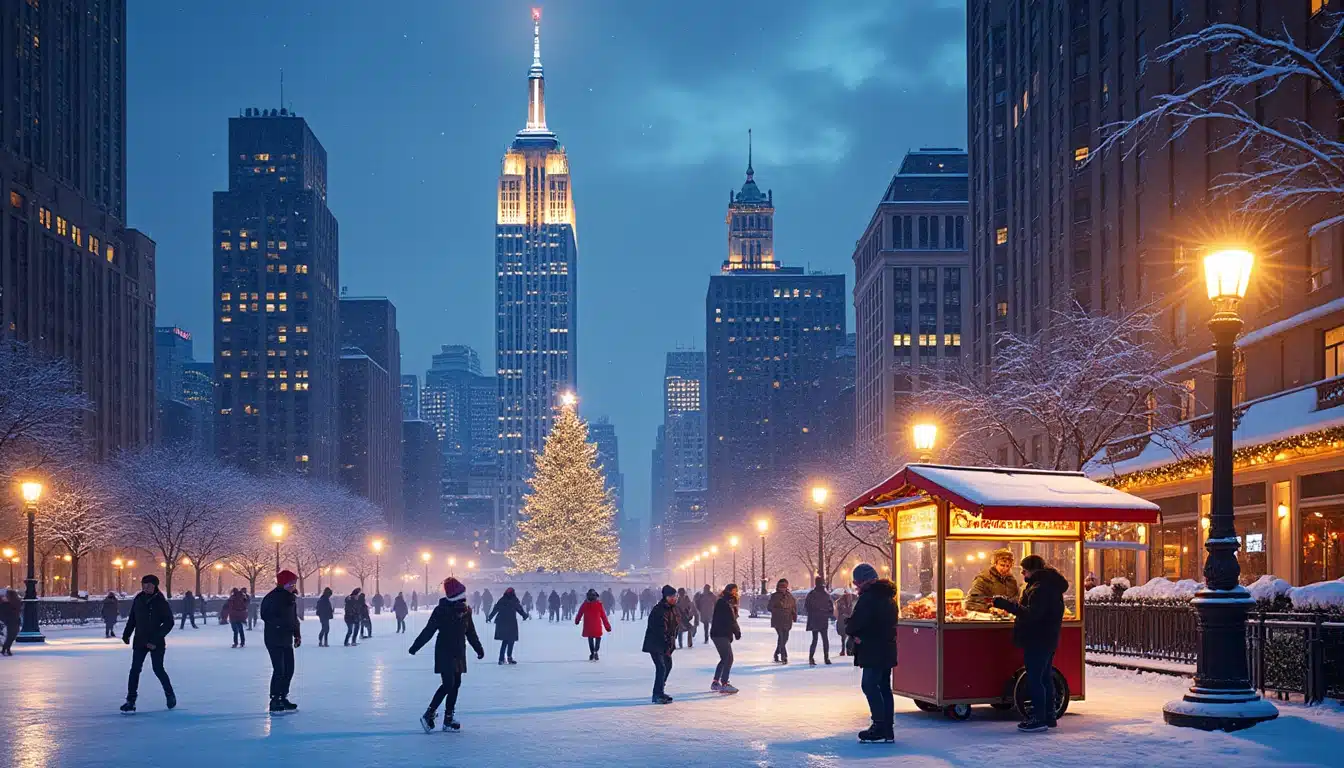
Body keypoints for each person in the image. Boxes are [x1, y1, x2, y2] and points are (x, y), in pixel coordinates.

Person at [993, 554, 1069, 733]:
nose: (1022, 573)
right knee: (1044, 678)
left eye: (1024, 570)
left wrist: (1007, 605)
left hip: (1037, 638)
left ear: (1032, 570)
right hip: (1048, 638)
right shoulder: (1050, 584)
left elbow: (1032, 614)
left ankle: (1039, 719)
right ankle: (1049, 716)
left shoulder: (1040, 588)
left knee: (1035, 679)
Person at [410, 577, 485, 733]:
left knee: (456, 684)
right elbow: (429, 630)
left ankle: (448, 719)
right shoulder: (441, 610)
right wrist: (415, 646)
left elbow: (470, 632)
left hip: (459, 651)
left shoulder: (466, 611)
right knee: (448, 684)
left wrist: (478, 648)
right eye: (462, 594)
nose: (465, 596)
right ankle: (429, 714)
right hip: (444, 651)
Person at [844, 563, 898, 744]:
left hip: (873, 649)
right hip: (886, 648)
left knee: (869, 685)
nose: (856, 586)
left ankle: (879, 726)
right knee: (883, 687)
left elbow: (856, 623)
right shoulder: (888, 597)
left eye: (857, 582)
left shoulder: (869, 598)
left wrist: (852, 629)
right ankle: (887, 728)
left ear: (864, 581)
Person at [119, 574, 176, 713]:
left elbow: (169, 622)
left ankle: (170, 694)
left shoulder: (161, 601)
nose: (145, 587)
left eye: (149, 585)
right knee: (135, 670)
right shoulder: (138, 599)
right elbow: (132, 618)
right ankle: (130, 701)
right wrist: (127, 634)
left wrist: (155, 640)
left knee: (158, 669)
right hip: (140, 640)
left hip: (156, 642)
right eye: (143, 585)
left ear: (155, 586)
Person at [261, 571, 302, 714]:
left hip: (286, 639)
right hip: (274, 639)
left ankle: (283, 696)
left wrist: (297, 634)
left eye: (294, 584)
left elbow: (294, 618)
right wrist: (280, 625)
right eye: (291, 584)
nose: (293, 586)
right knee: (280, 669)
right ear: (283, 583)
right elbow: (265, 615)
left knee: (289, 669)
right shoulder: (272, 598)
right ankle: (274, 699)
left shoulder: (291, 598)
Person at [642, 585, 679, 704]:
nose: (674, 598)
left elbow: (675, 625)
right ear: (666, 597)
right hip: (656, 643)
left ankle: (660, 689)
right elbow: (660, 629)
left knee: (668, 665)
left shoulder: (672, 609)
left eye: (675, 596)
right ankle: (657, 694)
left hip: (665, 643)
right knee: (661, 667)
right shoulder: (659, 609)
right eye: (671, 596)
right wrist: (667, 643)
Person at [710, 583, 742, 694]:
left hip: (720, 633)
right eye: (734, 591)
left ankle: (715, 682)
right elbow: (731, 619)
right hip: (720, 633)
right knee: (728, 658)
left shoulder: (726, 602)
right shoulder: (724, 603)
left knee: (725, 658)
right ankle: (724, 683)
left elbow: (732, 618)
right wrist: (736, 631)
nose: (736, 593)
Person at [967, 548, 1021, 613]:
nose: (1005, 569)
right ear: (994, 564)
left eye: (1008, 566)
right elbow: (972, 602)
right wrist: (990, 608)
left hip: (1007, 618)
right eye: (1002, 565)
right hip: (987, 619)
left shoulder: (1012, 581)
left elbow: (1016, 599)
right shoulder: (983, 579)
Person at [486, 586, 528, 664]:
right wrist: (524, 615)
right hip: (511, 623)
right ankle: (509, 658)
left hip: (502, 623)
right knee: (511, 641)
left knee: (505, 641)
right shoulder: (514, 600)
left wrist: (490, 617)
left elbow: (496, 609)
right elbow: (519, 609)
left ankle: (501, 659)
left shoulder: (502, 600)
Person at [575, 588, 613, 661]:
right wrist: (607, 627)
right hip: (597, 625)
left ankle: (592, 653)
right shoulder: (599, 604)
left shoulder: (585, 604)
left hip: (588, 625)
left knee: (590, 638)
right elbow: (604, 617)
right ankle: (596, 651)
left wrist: (577, 620)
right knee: (598, 638)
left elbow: (580, 613)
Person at [805, 577, 836, 665]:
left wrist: (813, 612)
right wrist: (828, 614)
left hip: (814, 619)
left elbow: (807, 606)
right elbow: (831, 607)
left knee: (814, 639)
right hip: (823, 619)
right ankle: (826, 658)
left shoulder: (811, 594)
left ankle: (811, 658)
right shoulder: (826, 595)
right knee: (825, 639)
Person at [767, 579, 797, 663]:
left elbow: (793, 606)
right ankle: (784, 656)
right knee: (781, 637)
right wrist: (777, 610)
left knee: (785, 638)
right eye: (781, 587)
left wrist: (794, 616)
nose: (783, 588)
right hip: (778, 620)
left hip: (787, 620)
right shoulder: (774, 596)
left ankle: (776, 653)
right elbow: (769, 607)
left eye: (784, 587)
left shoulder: (790, 596)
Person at [835, 588, 857, 657]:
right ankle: (845, 650)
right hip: (844, 620)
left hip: (848, 619)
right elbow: (838, 611)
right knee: (844, 636)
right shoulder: (840, 601)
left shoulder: (853, 599)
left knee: (848, 636)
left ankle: (848, 650)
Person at [1, 589, 22, 656]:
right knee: (11, 636)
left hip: (14, 621)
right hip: (11, 621)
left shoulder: (14, 602)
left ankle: (5, 649)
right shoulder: (5, 604)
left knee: (12, 636)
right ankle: (6, 649)